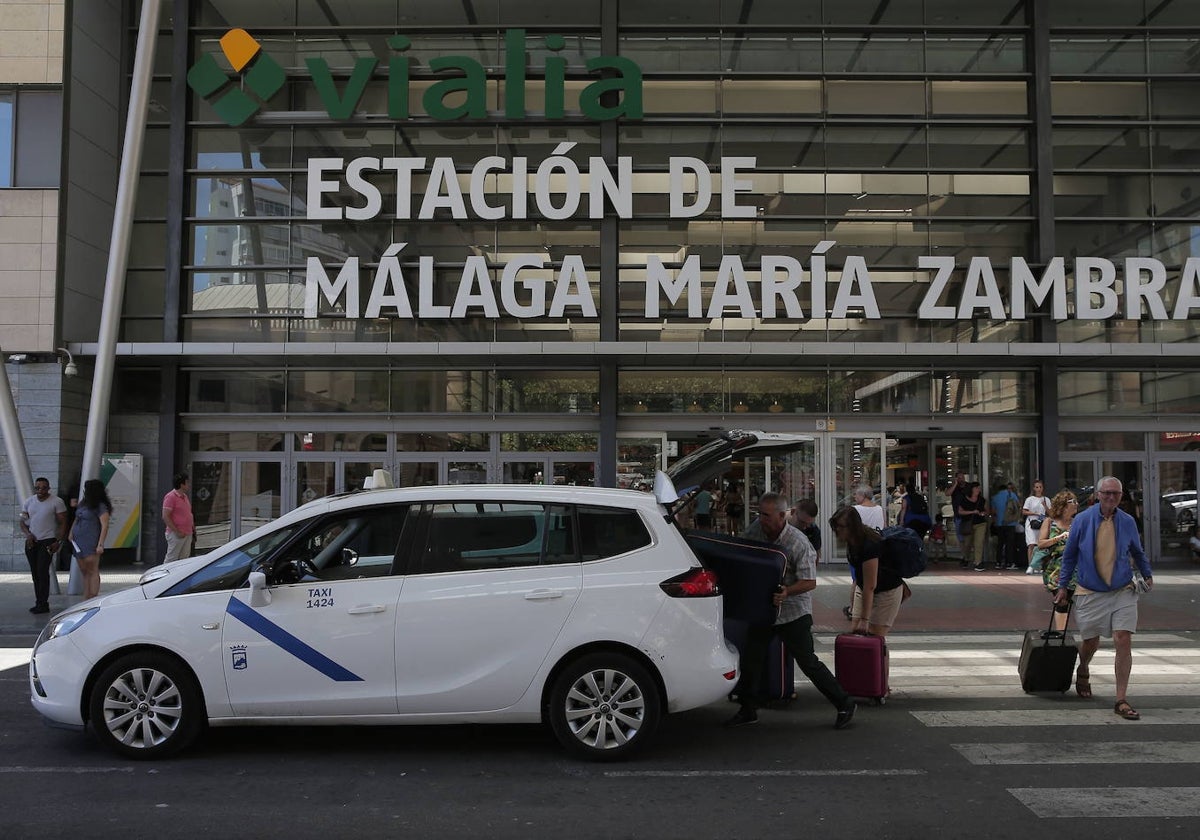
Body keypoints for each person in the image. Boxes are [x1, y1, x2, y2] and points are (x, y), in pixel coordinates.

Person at [725, 493, 856, 730]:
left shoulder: (798, 542)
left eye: (766, 515)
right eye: (760, 514)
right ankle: (748, 709)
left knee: (807, 661)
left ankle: (844, 702)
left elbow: (810, 581)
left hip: (794, 612)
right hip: (764, 609)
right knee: (752, 658)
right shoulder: (755, 531)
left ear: (782, 515)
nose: (761, 519)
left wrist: (787, 592)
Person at [1054, 476, 1153, 720]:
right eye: (1106, 493)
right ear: (1098, 494)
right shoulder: (1082, 520)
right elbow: (1069, 556)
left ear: (1121, 496)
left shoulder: (1128, 521)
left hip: (1122, 590)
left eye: (1116, 494)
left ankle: (1121, 699)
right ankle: (1084, 668)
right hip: (1090, 590)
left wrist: (1147, 574)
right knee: (1091, 642)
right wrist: (1063, 587)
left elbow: (1137, 552)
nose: (1111, 497)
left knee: (1123, 638)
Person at [830, 505, 906, 639]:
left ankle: (879, 659)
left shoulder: (869, 544)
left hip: (886, 591)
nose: (837, 530)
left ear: (852, 527)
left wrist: (865, 619)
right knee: (856, 630)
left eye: (841, 527)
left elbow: (870, 585)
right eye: (835, 526)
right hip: (864, 587)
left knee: (874, 636)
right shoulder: (852, 541)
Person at [19, 477, 67, 614]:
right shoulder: (29, 502)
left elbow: (63, 522)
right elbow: (22, 521)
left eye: (44, 488)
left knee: (42, 571)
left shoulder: (57, 502)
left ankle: (43, 603)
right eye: (37, 488)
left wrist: (58, 541)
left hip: (48, 540)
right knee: (35, 573)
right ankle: (39, 602)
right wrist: (28, 534)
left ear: (48, 488)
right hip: (32, 541)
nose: (40, 490)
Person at [1035, 491, 1078, 634]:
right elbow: (1041, 543)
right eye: (1073, 502)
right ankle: (1061, 633)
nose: (1077, 504)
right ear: (1064, 505)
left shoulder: (1077, 522)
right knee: (1061, 599)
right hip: (1055, 568)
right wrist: (1058, 537)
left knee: (1078, 600)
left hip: (1076, 567)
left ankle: (1089, 633)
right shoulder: (1050, 522)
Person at [69, 479, 112, 601]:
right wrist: (71, 531)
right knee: (84, 570)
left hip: (91, 540)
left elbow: (104, 525)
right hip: (78, 540)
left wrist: (100, 544)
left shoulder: (100, 506)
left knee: (92, 569)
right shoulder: (83, 503)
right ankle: (86, 596)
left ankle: (93, 596)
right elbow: (77, 518)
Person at [990, 480, 1023, 571]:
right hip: (1011, 523)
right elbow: (1018, 507)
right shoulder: (1012, 495)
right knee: (1010, 543)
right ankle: (1010, 562)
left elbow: (993, 512)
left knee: (1000, 543)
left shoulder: (994, 497)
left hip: (1000, 523)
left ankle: (998, 562)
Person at [162, 471, 195, 562]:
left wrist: (193, 529)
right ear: (181, 484)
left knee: (183, 560)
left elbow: (188, 514)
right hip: (176, 534)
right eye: (187, 482)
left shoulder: (185, 497)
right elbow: (165, 516)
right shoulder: (170, 497)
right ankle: (165, 576)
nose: (189, 484)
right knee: (171, 559)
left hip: (187, 533)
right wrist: (177, 531)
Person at [1022, 479, 1051, 573]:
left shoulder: (1046, 499)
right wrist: (1034, 513)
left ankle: (1039, 566)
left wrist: (1045, 506)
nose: (1038, 489)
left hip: (1041, 523)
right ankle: (1030, 565)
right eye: (1037, 487)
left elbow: (1050, 513)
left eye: (1040, 487)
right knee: (1031, 543)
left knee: (1040, 544)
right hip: (1031, 522)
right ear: (1034, 488)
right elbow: (1024, 511)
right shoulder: (1029, 499)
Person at [959, 482, 989, 571]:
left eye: (979, 488)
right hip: (968, 524)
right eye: (976, 488)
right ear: (971, 489)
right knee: (967, 544)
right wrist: (972, 512)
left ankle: (978, 562)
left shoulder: (982, 500)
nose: (978, 490)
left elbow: (987, 511)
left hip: (980, 523)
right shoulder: (964, 499)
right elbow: (960, 511)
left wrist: (983, 513)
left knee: (978, 543)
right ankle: (966, 558)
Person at [948, 472, 970, 566]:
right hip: (958, 516)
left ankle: (968, 556)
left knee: (968, 537)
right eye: (959, 478)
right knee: (961, 538)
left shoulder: (969, 486)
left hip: (968, 516)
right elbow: (947, 493)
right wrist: (955, 484)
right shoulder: (954, 488)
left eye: (963, 477)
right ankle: (964, 556)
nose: (962, 479)